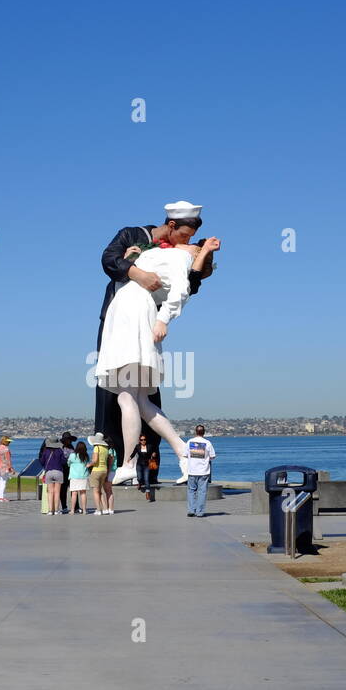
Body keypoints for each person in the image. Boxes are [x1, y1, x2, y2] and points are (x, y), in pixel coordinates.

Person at [94, 202, 217, 463]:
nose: (187, 241)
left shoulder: (177, 253)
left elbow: (189, 285)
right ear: (171, 226)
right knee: (112, 396)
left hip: (147, 320)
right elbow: (108, 259)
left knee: (144, 394)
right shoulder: (132, 234)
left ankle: (145, 460)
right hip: (117, 321)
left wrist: (203, 253)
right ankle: (115, 458)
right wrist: (136, 272)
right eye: (185, 235)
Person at [184, 424, 216, 517]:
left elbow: (185, 455)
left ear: (195, 432)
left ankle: (191, 510)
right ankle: (200, 512)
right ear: (204, 433)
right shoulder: (208, 443)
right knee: (202, 492)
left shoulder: (190, 442)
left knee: (191, 491)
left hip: (192, 471)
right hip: (203, 471)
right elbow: (213, 456)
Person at [38, 436, 68, 514]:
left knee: (50, 492)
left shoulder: (46, 451)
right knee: (57, 492)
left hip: (49, 472)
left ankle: (51, 510)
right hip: (58, 471)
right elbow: (64, 462)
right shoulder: (60, 451)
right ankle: (57, 510)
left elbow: (41, 461)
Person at [86, 433, 113, 515]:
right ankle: (105, 508)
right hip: (104, 470)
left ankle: (98, 510)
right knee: (100, 491)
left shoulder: (96, 448)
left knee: (95, 491)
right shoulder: (105, 448)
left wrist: (88, 465)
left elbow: (95, 460)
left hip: (96, 471)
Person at [67, 441, 91, 514]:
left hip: (74, 476)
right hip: (83, 476)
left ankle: (72, 510)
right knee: (83, 493)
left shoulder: (72, 455)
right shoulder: (86, 456)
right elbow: (88, 464)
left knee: (74, 493)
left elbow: (68, 463)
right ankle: (84, 510)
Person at [134, 433, 158, 502]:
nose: (143, 441)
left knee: (146, 479)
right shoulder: (137, 446)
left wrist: (154, 454)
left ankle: (147, 492)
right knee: (139, 477)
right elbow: (133, 453)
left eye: (144, 440)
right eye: (141, 440)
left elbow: (154, 451)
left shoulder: (149, 446)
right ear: (139, 441)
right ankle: (140, 483)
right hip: (139, 464)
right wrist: (129, 458)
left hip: (147, 465)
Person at [57, 432, 76, 512]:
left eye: (70, 440)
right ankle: (64, 506)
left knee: (74, 489)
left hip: (71, 469)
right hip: (63, 470)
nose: (70, 441)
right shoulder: (61, 447)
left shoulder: (71, 447)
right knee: (63, 489)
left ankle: (75, 506)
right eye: (68, 440)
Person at [0, 436, 14, 502]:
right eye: (8, 441)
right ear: (6, 442)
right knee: (3, 482)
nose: (9, 443)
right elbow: (7, 460)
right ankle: (1, 497)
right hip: (4, 468)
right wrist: (10, 468)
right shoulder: (6, 449)